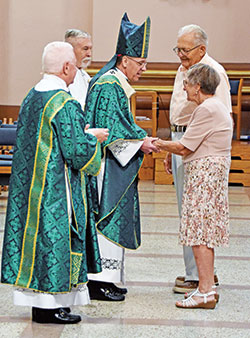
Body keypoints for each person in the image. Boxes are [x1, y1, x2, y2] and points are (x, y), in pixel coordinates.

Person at [1, 41, 109, 324]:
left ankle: (42, 306)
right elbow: (76, 152)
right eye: (74, 64)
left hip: (28, 188)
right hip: (54, 189)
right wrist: (94, 139)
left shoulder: (32, 96)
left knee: (37, 243)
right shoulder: (64, 102)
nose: (76, 70)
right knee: (54, 243)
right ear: (65, 67)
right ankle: (51, 307)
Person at [84, 13, 159, 302]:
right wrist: (141, 143)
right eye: (140, 63)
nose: (143, 68)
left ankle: (110, 278)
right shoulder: (108, 86)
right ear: (124, 59)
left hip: (115, 162)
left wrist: (141, 139)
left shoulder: (115, 83)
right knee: (107, 214)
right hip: (106, 167)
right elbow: (111, 129)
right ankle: (99, 281)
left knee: (113, 217)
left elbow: (120, 125)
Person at [154, 63, 233, 309]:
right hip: (208, 173)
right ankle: (206, 288)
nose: (184, 87)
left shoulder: (207, 109)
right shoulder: (213, 107)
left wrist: (156, 142)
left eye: (187, 83)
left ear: (198, 86)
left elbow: (183, 147)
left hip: (205, 176)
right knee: (203, 234)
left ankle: (205, 291)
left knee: (199, 233)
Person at [168, 24, 232, 294]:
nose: (180, 54)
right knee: (188, 212)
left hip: (198, 149)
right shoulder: (185, 70)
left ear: (202, 49)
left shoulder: (212, 73)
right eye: (178, 49)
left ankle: (200, 277)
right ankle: (194, 273)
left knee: (198, 215)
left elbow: (220, 116)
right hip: (182, 139)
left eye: (185, 49)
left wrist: (173, 146)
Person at [65, 29, 92, 110]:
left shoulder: (85, 75)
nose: (89, 54)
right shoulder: (65, 75)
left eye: (90, 49)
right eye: (85, 49)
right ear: (71, 51)